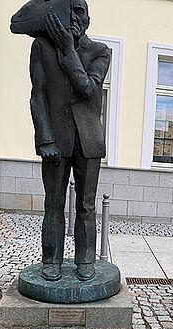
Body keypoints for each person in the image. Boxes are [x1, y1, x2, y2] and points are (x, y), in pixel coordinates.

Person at [29, 0, 110, 281]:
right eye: (69, 10)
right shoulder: (41, 46)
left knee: (86, 205)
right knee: (53, 203)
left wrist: (67, 49)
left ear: (88, 19)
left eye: (80, 12)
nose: (74, 17)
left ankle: (85, 260)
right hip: (55, 141)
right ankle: (51, 260)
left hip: (88, 141)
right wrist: (44, 139)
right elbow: (37, 95)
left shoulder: (100, 52)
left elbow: (87, 89)